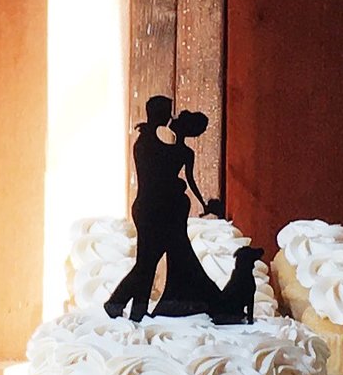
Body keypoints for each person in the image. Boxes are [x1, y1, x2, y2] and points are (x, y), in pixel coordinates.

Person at [104, 98, 257, 324]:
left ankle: (134, 309)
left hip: (165, 211)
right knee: (148, 260)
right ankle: (118, 303)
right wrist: (179, 187)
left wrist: (203, 202)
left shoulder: (164, 146)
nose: (171, 117)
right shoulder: (148, 144)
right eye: (167, 112)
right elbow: (158, 175)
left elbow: (190, 181)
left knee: (149, 260)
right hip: (153, 210)